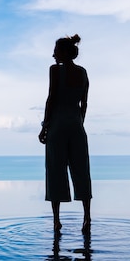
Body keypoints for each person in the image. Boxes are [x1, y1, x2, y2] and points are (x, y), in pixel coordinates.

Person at [39, 34, 91, 234]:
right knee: (81, 171)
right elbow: (84, 103)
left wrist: (45, 126)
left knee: (55, 171)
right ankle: (87, 218)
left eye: (55, 50)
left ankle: (56, 221)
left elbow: (51, 98)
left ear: (63, 52)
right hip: (77, 126)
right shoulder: (83, 72)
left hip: (57, 126)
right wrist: (79, 122)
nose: (53, 54)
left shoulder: (55, 70)